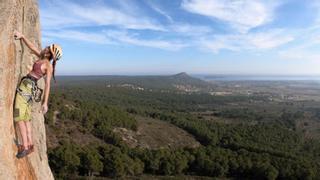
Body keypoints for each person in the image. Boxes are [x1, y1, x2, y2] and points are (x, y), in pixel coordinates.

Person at [13, 30, 62, 158]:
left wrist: (45, 103)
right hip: (29, 88)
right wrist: (23, 36)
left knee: (18, 118)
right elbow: (32, 47)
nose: (45, 47)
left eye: (48, 48)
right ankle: (30, 144)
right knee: (26, 119)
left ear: (50, 53)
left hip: (27, 89)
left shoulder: (47, 66)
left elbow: (47, 85)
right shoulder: (42, 58)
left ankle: (24, 147)